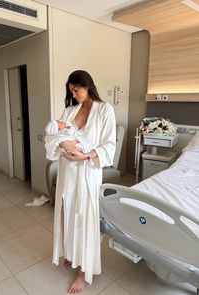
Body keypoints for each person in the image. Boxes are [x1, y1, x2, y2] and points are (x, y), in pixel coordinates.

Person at [51, 70, 116, 293]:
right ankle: (72, 254)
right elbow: (54, 136)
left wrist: (86, 156)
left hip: (87, 172)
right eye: (71, 90)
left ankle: (83, 271)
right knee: (68, 214)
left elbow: (109, 146)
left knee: (85, 218)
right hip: (68, 172)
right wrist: (64, 145)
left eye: (76, 89)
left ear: (87, 85)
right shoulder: (69, 111)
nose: (74, 93)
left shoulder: (105, 110)